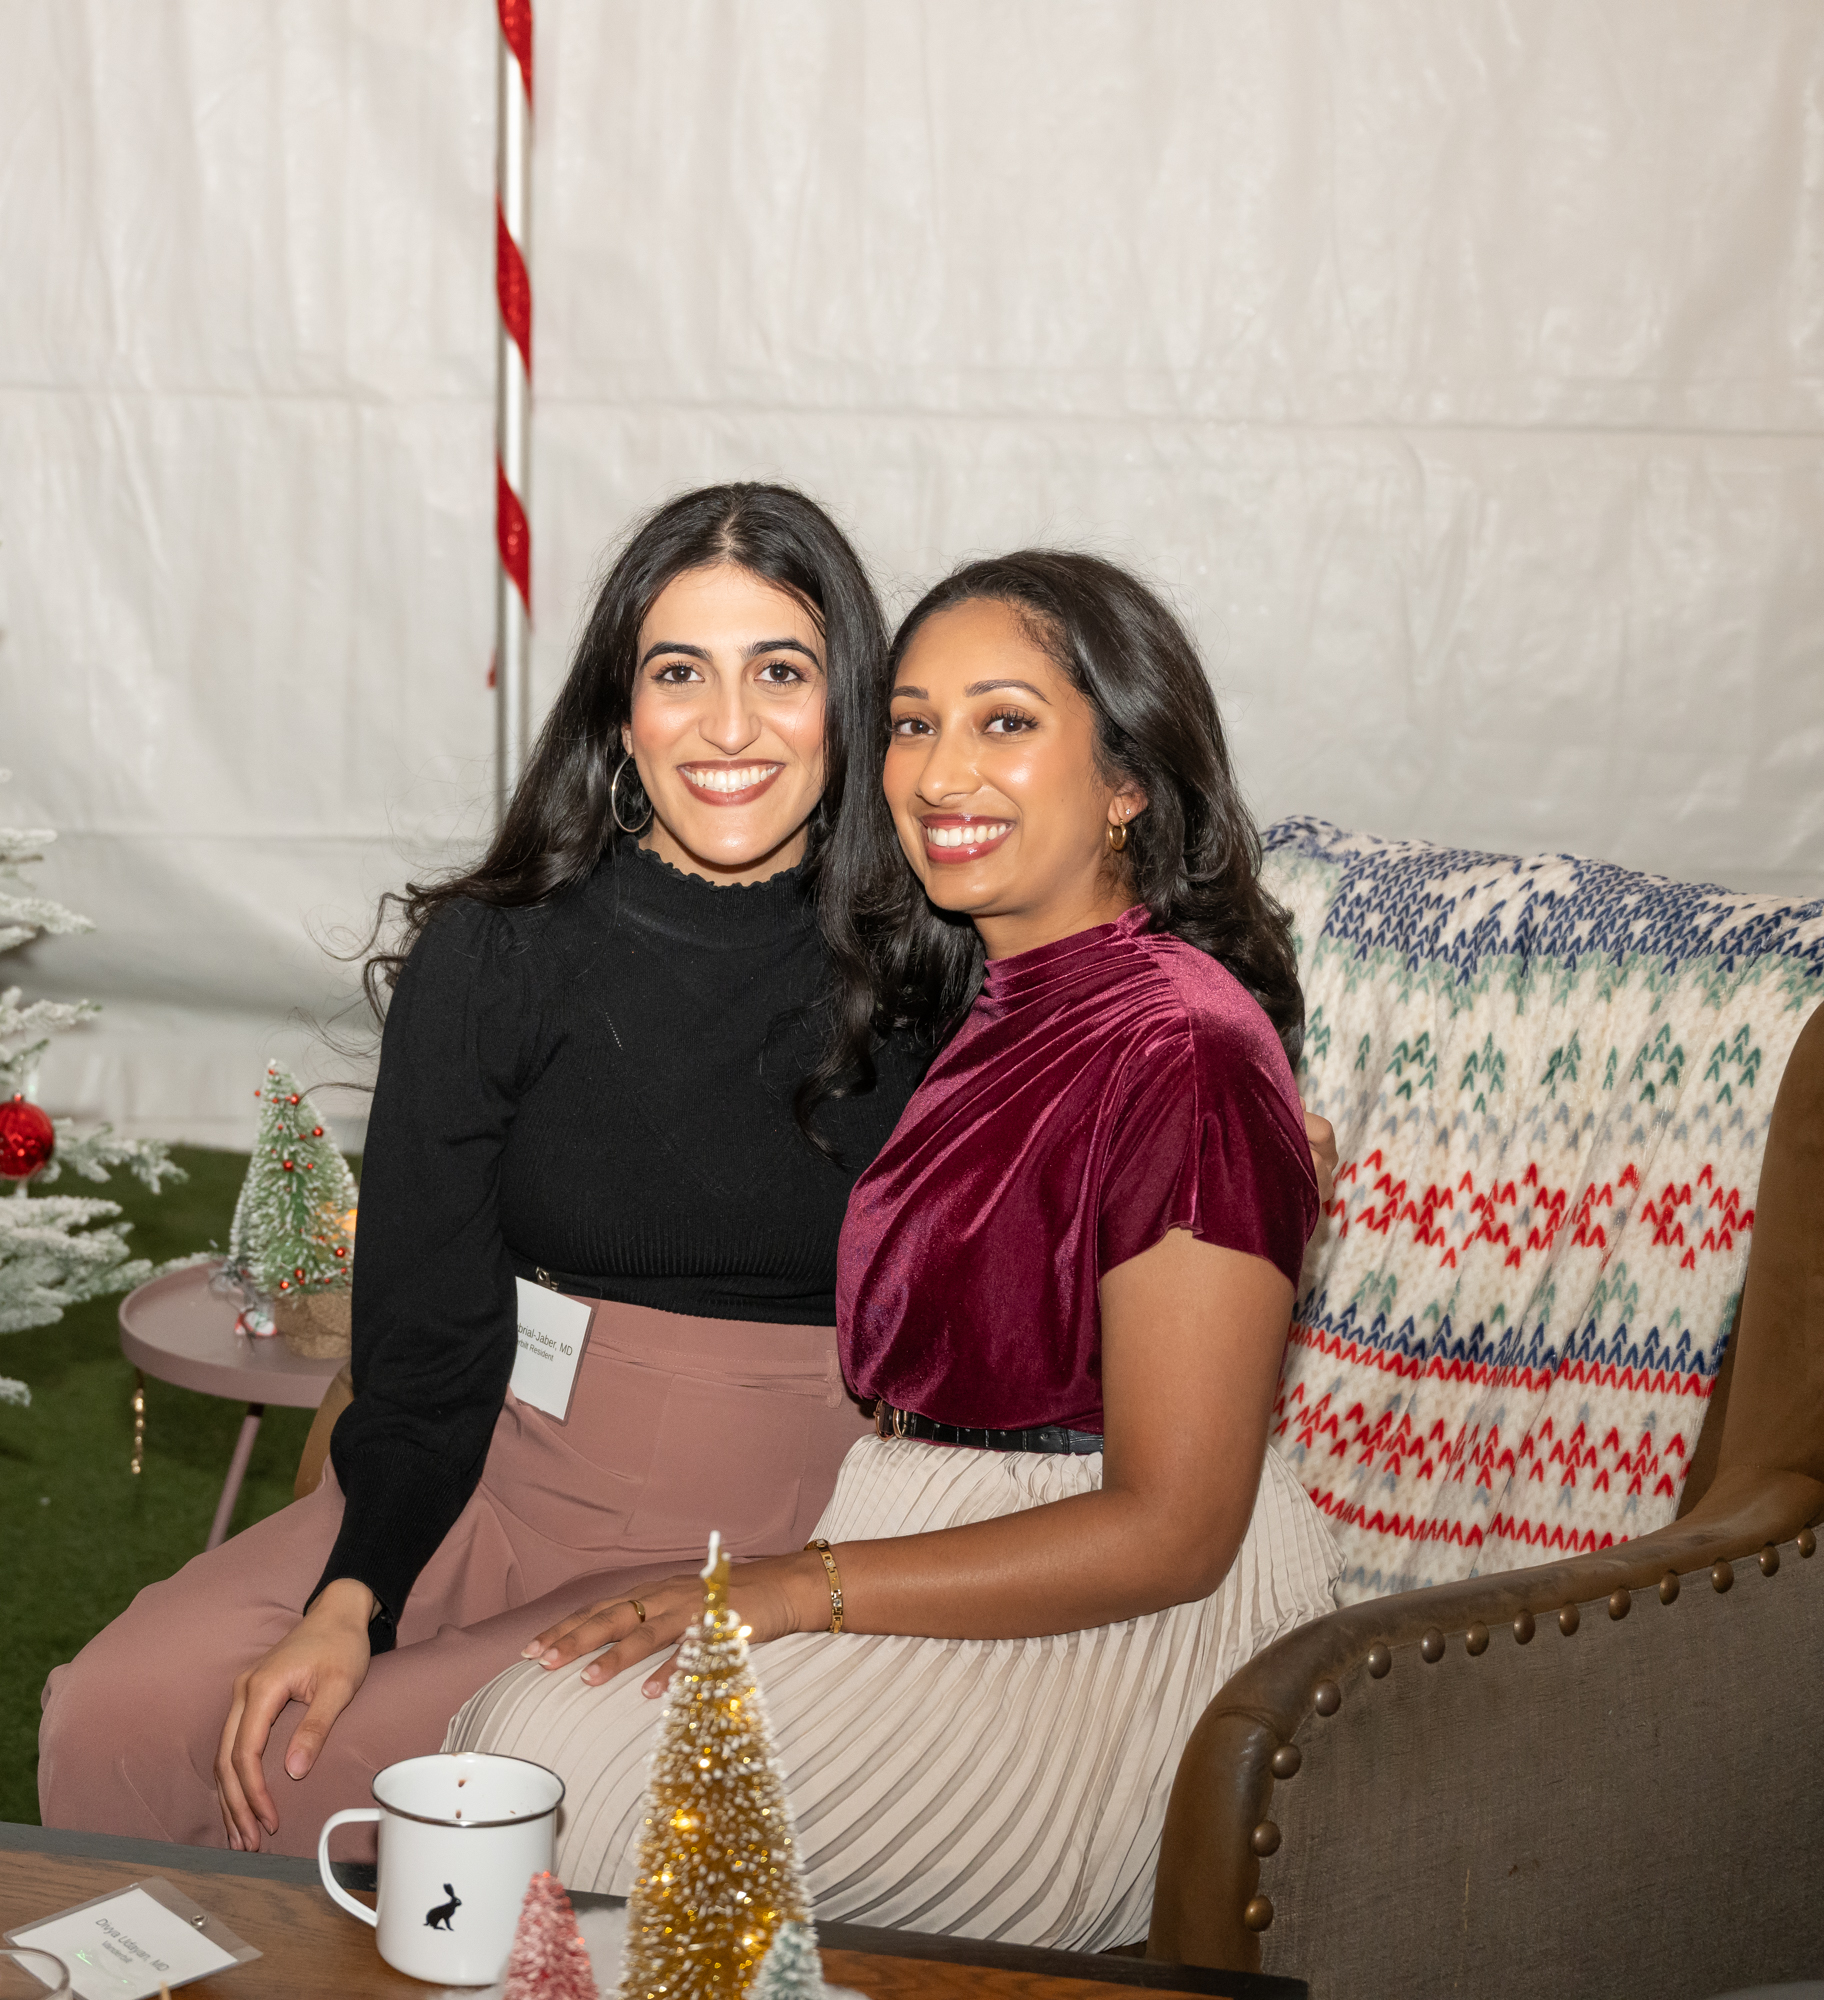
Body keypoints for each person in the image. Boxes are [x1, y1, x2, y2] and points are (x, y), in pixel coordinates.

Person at [445, 550, 1341, 1954]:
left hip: (1113, 1632)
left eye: (1004, 722)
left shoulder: (1180, 1045)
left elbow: (1174, 1529)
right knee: (524, 1754)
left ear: (1127, 779)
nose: (938, 774)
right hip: (917, 1550)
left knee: (577, 1786)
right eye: (913, 724)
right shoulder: (990, 999)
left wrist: (797, 1588)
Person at [38, 483, 927, 1854]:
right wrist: (355, 1594)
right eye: (679, 673)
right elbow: (433, 1334)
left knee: (320, 1778)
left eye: (781, 673)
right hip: (498, 1474)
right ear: (619, 711)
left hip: (765, 1535)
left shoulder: (935, 971)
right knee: (118, 1711)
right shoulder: (497, 953)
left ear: (850, 706)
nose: (729, 726)